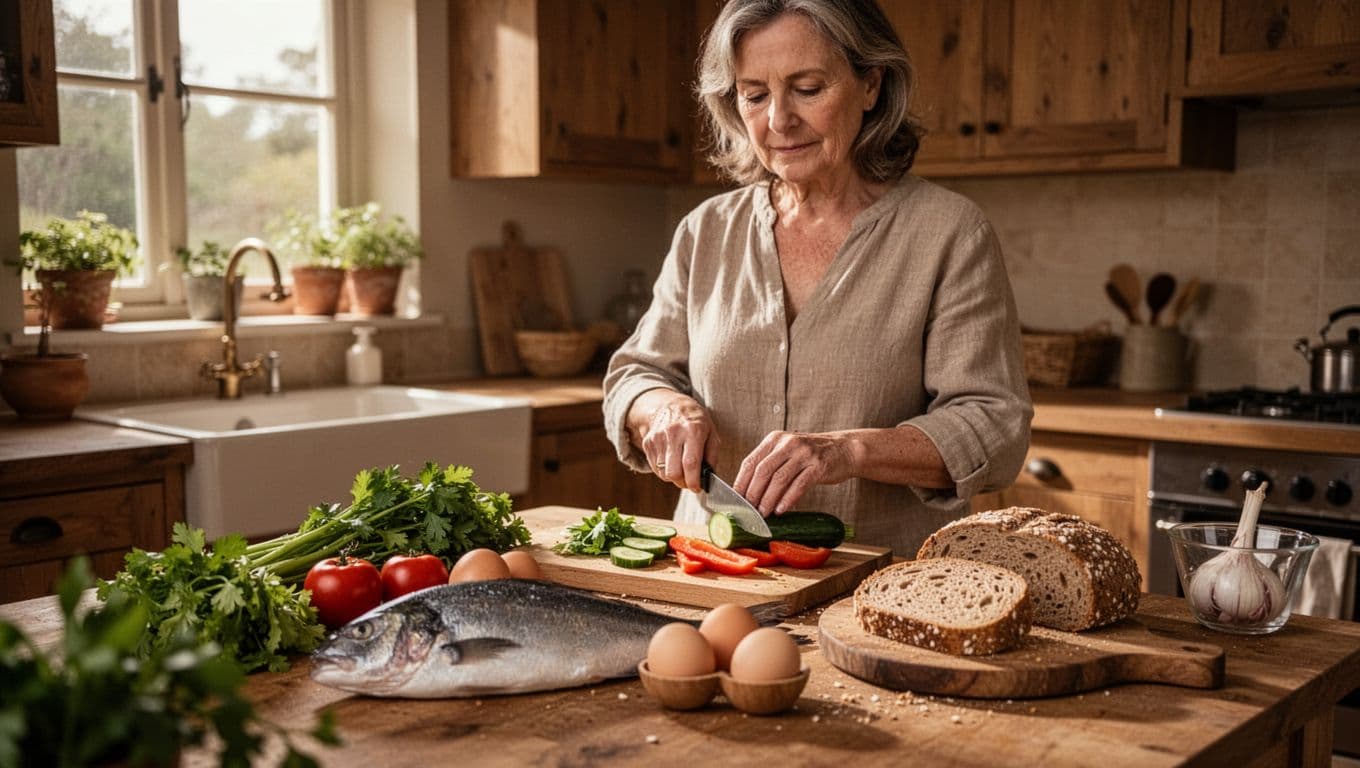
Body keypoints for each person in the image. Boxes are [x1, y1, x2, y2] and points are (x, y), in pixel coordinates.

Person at [602, 0, 1032, 556]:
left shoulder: (949, 233)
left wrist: (849, 452)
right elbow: (634, 373)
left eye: (807, 88)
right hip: (711, 572)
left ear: (871, 84)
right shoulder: (705, 231)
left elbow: (994, 426)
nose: (779, 120)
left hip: (881, 587)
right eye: (755, 95)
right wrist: (661, 409)